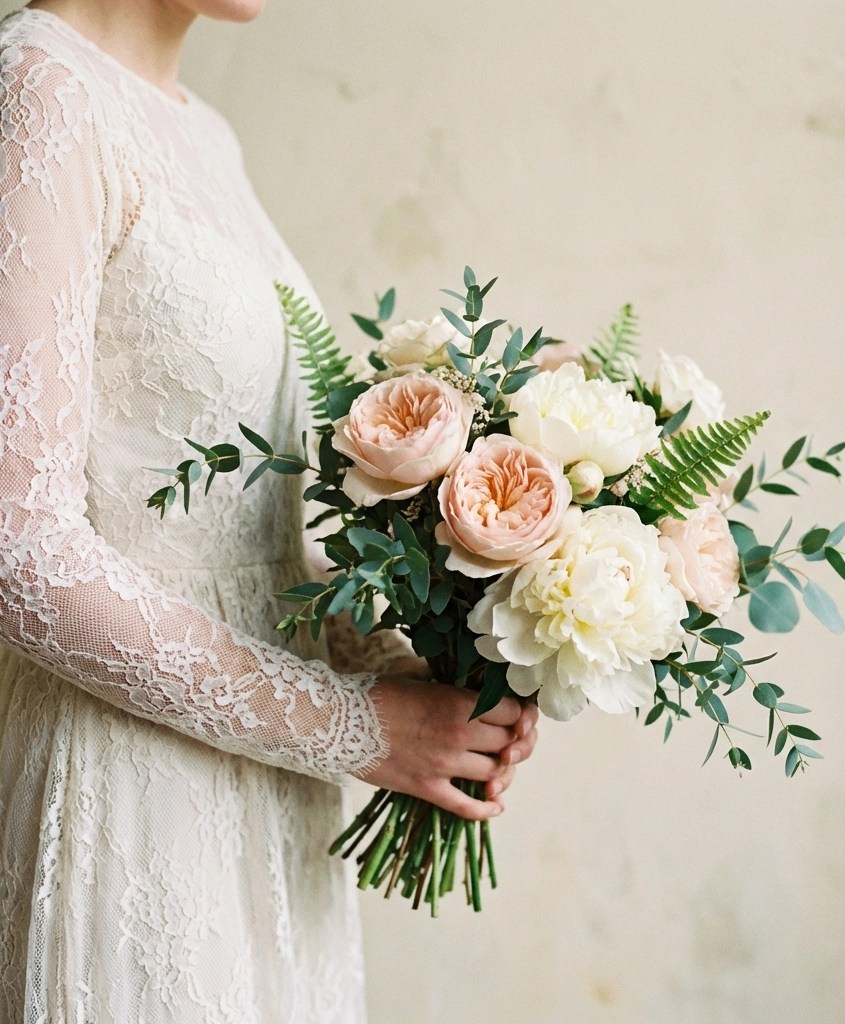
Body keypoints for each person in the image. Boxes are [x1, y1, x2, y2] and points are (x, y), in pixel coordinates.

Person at [0, 1, 538, 1020]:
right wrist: (352, 727)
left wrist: (427, 673)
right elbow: (18, 550)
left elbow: (246, 549)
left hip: (273, 817)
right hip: (135, 796)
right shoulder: (39, 91)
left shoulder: (203, 130)